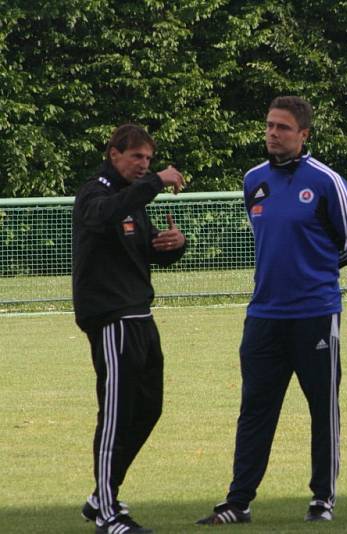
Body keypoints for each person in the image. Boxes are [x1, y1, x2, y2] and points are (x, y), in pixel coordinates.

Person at [196, 96, 347, 526]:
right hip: (264, 315)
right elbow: (265, 235)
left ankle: (322, 499)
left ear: (303, 134)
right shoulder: (253, 180)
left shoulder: (327, 181)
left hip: (315, 313)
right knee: (255, 407)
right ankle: (238, 502)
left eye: (283, 128)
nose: (273, 133)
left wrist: (313, 273)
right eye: (269, 125)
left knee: (322, 407)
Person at [72, 123, 186, 534]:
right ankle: (108, 513)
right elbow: (103, 217)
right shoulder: (96, 193)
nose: (143, 165)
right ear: (114, 154)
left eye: (149, 160)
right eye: (137, 157)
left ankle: (100, 495)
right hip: (112, 320)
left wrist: (174, 245)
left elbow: (143, 249)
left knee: (148, 409)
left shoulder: (131, 200)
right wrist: (156, 182)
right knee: (117, 415)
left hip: (141, 315)